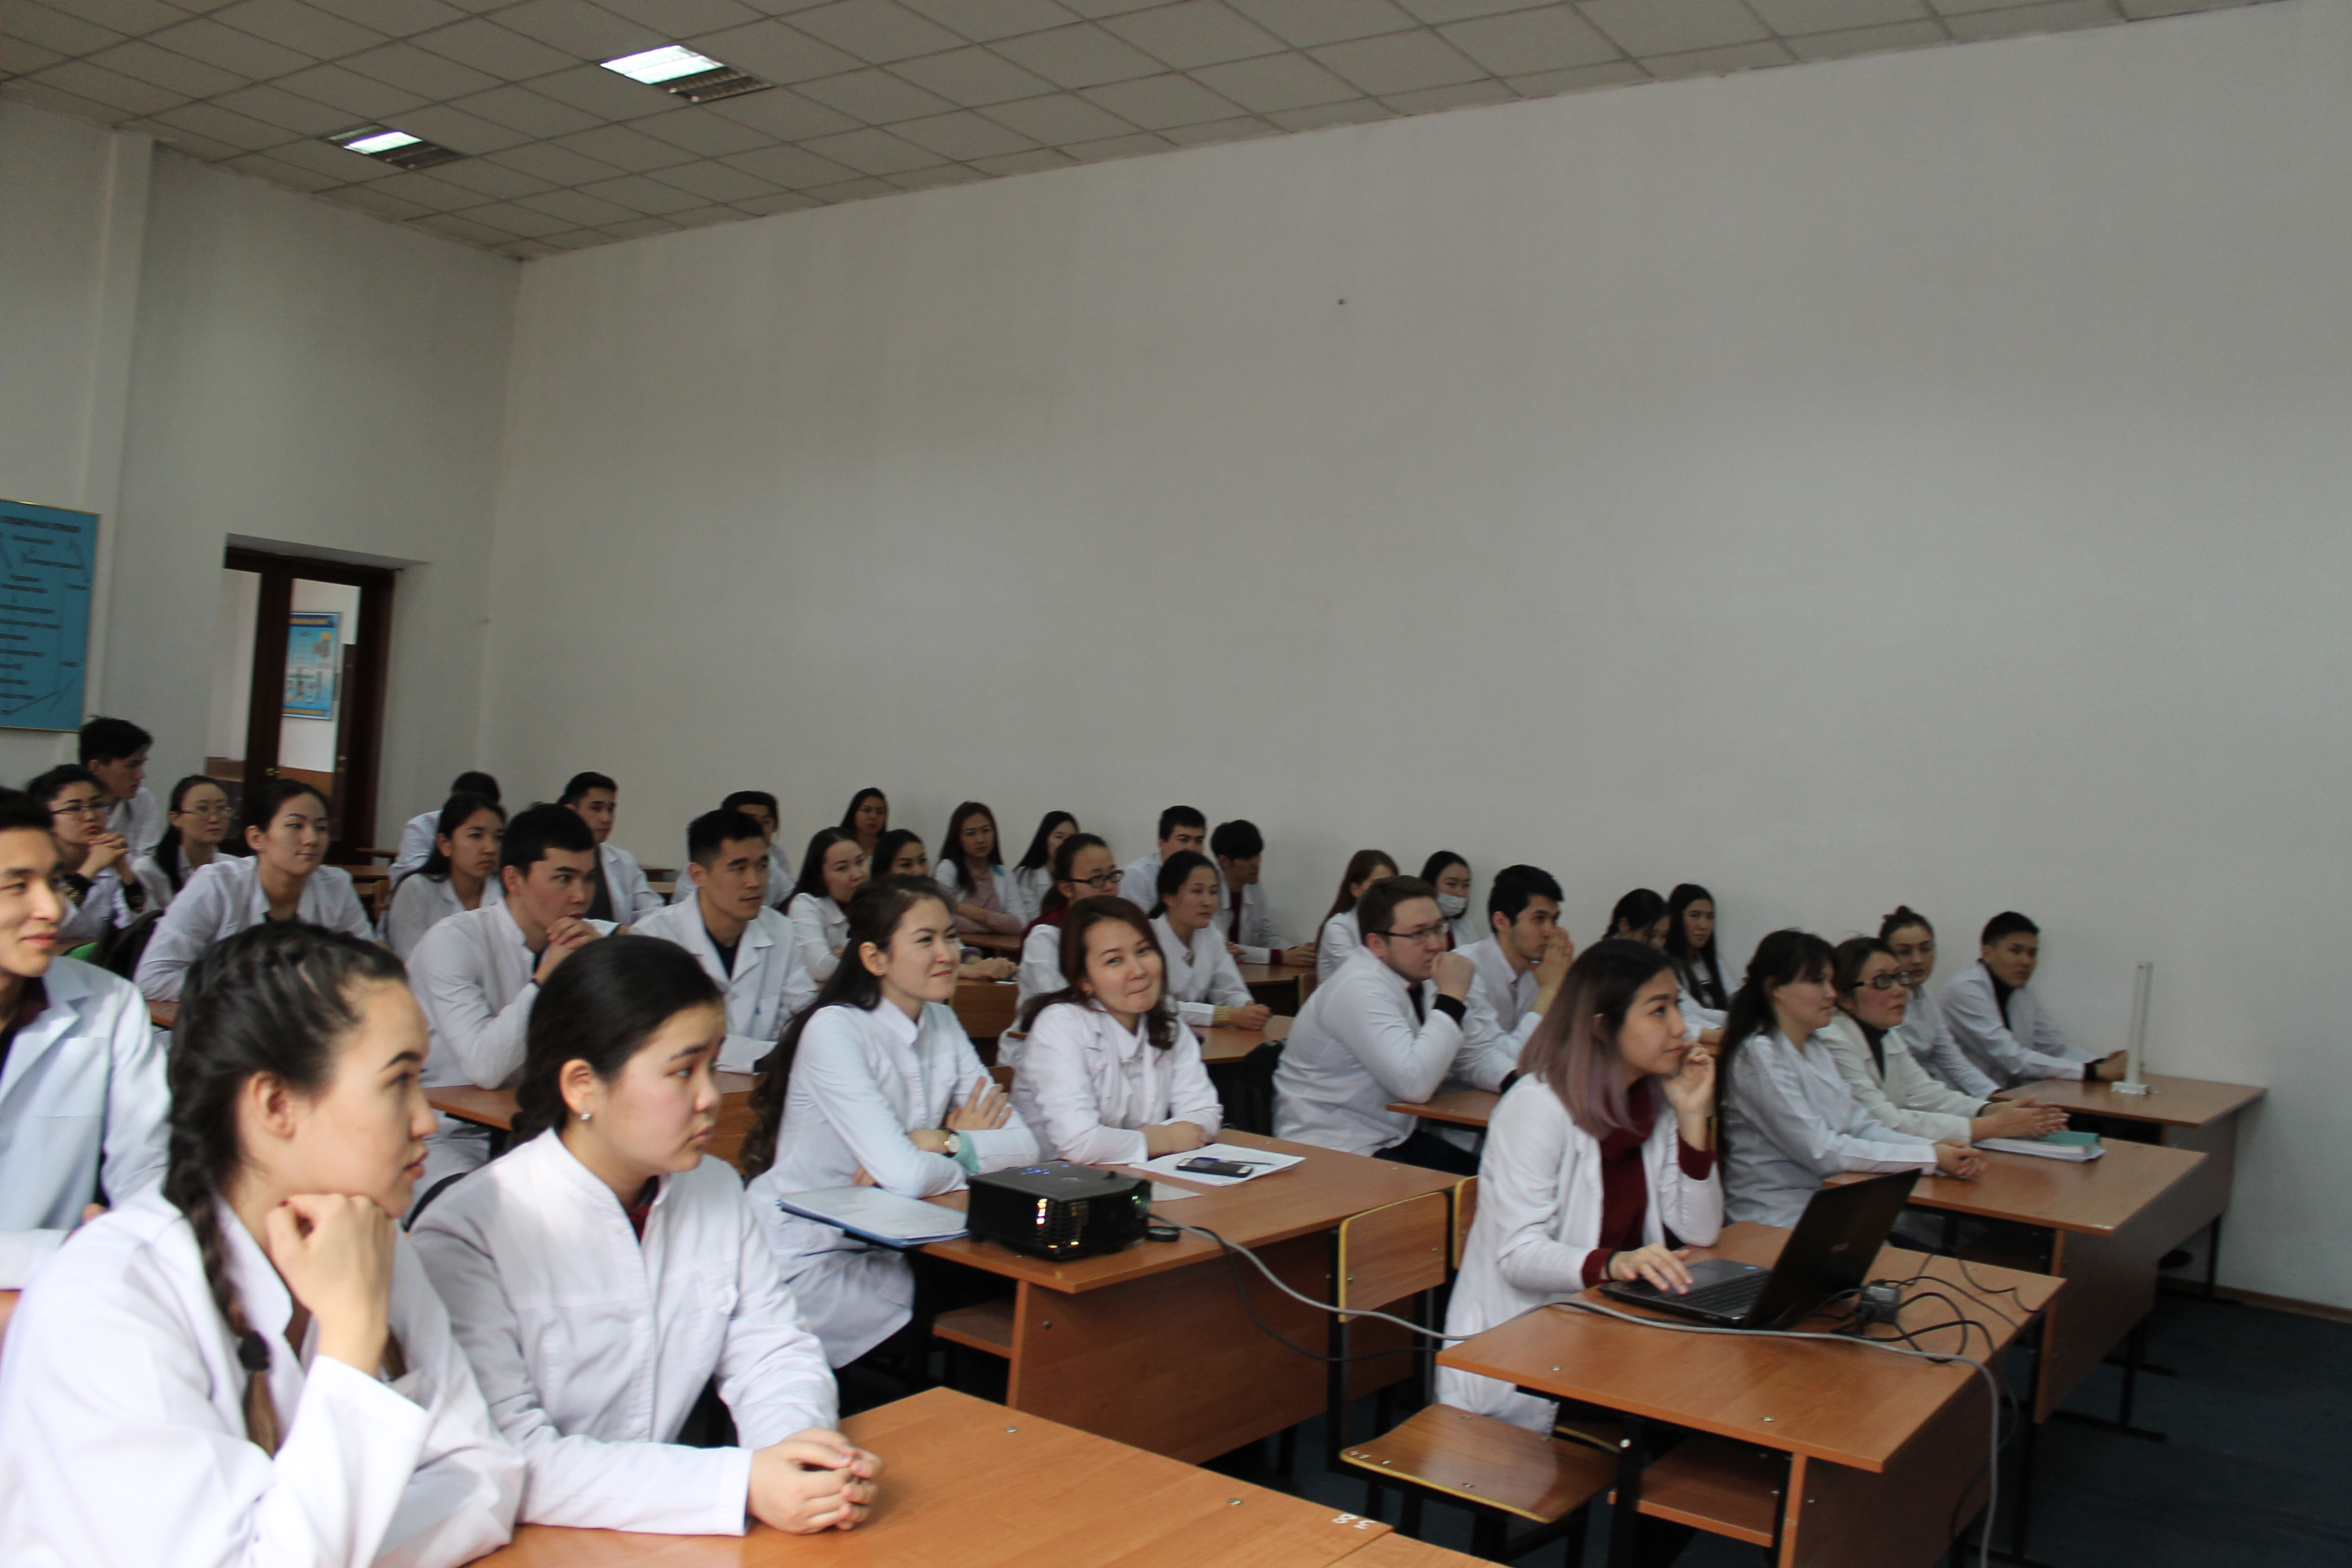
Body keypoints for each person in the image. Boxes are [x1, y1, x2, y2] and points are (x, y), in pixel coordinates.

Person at [0, 922, 522, 1566]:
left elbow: (487, 1479)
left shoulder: (369, 1237)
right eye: (399, 1081)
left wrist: (326, 1544)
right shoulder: (110, 1305)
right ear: (275, 1104)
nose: (427, 1120)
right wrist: (352, 1335)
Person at [412, 938, 878, 1537]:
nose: (710, 1097)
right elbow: (512, 1455)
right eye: (683, 1071)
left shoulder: (714, 1189)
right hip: (528, 1540)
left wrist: (798, 1452)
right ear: (583, 1086)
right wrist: (740, 1484)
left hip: (662, 1528)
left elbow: (773, 1351)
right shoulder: (471, 1231)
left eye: (712, 1066)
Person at [741, 876, 1039, 1367]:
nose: (947, 954)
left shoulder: (941, 1020)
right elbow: (906, 1176)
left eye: (950, 936)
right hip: (813, 1254)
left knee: (1018, 1291)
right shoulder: (836, 1030)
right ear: (875, 958)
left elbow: (1026, 1148)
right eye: (926, 940)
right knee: (983, 1303)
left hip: (902, 1237)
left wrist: (941, 1142)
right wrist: (935, 1154)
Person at [1437, 939, 1721, 1432]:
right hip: (1527, 1346)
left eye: (1677, 1006)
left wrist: (1694, 1116)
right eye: (1659, 1010)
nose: (1681, 1027)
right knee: (1691, 1423)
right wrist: (1614, 1264)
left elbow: (1701, 1231)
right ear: (1602, 1027)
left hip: (1610, 1323)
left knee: (1711, 1388)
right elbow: (1518, 1255)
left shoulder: (1648, 1100)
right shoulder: (1537, 1106)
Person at [0, 788, 167, 1288]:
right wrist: (67, 1253)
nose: (52, 907)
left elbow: (150, 1168)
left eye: (53, 882)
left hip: (64, 1303)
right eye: (18, 886)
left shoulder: (109, 1006)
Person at [409, 804, 613, 1191]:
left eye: (588, 879)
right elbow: (485, 1067)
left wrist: (602, 972)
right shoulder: (453, 942)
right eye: (563, 879)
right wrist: (546, 979)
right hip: (444, 1135)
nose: (581, 897)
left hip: (543, 1131)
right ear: (514, 880)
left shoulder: (585, 942)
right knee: (482, 1213)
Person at [1718, 929, 1978, 1227]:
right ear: (1775, 987)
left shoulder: (1815, 1047)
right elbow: (1822, 1151)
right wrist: (1929, 1157)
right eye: (1818, 981)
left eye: (1830, 981)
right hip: (1774, 1218)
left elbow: (1860, 1126)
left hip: (1831, 1205)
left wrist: (1933, 1148)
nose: (1831, 993)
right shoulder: (1758, 1054)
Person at [1275, 875, 1485, 1174]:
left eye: (1439, 928)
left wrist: (1512, 1079)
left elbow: (1476, 1051)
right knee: (1465, 1192)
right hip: (1334, 1148)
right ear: (1377, 944)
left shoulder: (1421, 977)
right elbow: (1414, 1085)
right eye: (1419, 934)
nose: (1436, 945)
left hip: (1391, 1137)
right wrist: (1451, 999)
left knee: (1489, 1180)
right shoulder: (1360, 985)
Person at [1012, 896, 1223, 1163]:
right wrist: (1166, 1139)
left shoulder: (1168, 1022)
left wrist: (1160, 1138)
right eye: (1115, 960)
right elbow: (1079, 1143)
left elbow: (1205, 1111)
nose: (1138, 971)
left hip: (1134, 1174)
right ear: (1084, 980)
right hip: (1052, 1179)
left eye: (1144, 951)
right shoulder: (1059, 1026)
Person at [136, 780, 374, 1003]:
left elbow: (369, 968)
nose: (312, 839)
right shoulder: (216, 885)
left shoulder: (335, 886)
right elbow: (153, 979)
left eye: (321, 828)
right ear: (256, 838)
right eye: (295, 826)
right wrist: (253, 991)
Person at [1819, 937, 2068, 1146]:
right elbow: (1885, 1122)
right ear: (1844, 998)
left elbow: (1928, 1094)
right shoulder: (1834, 1039)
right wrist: (1993, 1126)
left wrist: (1990, 1110)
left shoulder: (1887, 1034)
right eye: (1882, 981)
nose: (1900, 990)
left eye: (1899, 978)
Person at [633, 809, 818, 1072]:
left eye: (762, 866)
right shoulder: (653, 939)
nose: (755, 882)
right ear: (698, 876)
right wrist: (770, 1054)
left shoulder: (780, 930)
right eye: (739, 869)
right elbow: (668, 1036)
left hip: (763, 1084)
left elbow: (806, 1013)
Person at [1941, 912, 2126, 1090]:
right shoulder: (1965, 990)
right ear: (1987, 953)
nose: (2026, 961)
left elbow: (2055, 1047)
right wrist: (2095, 1072)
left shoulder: (2022, 994)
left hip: (2007, 1097)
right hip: (1966, 1100)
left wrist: (2103, 1064)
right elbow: (2012, 1058)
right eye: (2016, 951)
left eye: (2032, 954)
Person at [1878, 906, 1997, 1097]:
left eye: (1926, 949)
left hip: (1934, 1094)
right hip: (1901, 1097)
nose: (1918, 960)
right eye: (1905, 952)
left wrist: (1996, 1097)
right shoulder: (1880, 1003)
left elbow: (1953, 1061)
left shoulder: (1925, 995)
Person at [1011, 832, 1120, 1039]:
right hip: (1049, 1041)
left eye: (1113, 875)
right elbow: (1057, 1007)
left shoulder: (1123, 932)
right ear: (1067, 888)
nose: (1109, 886)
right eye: (1097, 879)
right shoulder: (1045, 937)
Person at [1148, 851, 1272, 1032]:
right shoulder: (1146, 938)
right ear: (1169, 897)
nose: (1208, 901)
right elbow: (1160, 1006)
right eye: (1197, 891)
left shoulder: (1211, 934)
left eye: (1213, 892)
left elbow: (1230, 990)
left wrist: (1248, 1008)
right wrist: (1227, 1016)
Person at [869, 830, 1013, 981]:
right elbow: (902, 964)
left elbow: (956, 947)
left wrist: (985, 966)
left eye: (922, 861)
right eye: (906, 865)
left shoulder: (931, 904)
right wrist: (970, 970)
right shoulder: (877, 912)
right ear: (884, 871)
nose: (919, 871)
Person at [1457, 863, 1573, 1052]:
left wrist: (1564, 984)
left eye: (1554, 920)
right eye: (1539, 919)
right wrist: (1550, 989)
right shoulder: (1465, 970)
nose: (1551, 931)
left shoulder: (1539, 972)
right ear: (1502, 922)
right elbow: (1500, 1059)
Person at [383, 793, 505, 960]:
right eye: (476, 836)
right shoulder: (417, 890)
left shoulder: (506, 889)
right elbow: (412, 961)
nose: (491, 848)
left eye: (498, 838)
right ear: (445, 844)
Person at [31, 764, 140, 946]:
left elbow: (138, 927)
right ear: (46, 819)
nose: (90, 816)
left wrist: (124, 870)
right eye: (75, 809)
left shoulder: (109, 865)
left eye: (97, 805)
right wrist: (90, 869)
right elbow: (50, 925)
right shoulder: (33, 869)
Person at [1207, 819, 1316, 968]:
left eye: (1258, 855)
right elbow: (1223, 948)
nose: (1257, 863)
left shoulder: (1254, 887)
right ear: (1224, 861)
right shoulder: (1208, 891)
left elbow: (1266, 934)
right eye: (1248, 858)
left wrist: (1297, 952)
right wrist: (1281, 957)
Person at [561, 771, 661, 925]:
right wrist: (618, 931)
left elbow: (652, 911)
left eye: (610, 809)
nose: (606, 819)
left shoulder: (623, 860)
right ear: (571, 812)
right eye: (596, 809)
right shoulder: (550, 860)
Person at [667, 791, 796, 911]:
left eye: (766, 822)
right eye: (739, 868)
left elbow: (791, 897)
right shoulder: (705, 864)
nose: (758, 828)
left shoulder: (774, 857)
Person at [129, 774, 235, 913]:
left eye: (221, 808)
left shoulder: (234, 869)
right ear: (175, 818)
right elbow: (143, 921)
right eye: (203, 809)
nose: (215, 818)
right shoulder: (148, 870)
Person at [786, 828, 869, 984]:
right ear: (820, 876)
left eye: (860, 862)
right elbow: (821, 968)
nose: (857, 875)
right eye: (842, 868)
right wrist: (870, 959)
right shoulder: (805, 904)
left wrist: (846, 955)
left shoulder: (878, 898)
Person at [390, 771, 502, 883]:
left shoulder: (498, 829)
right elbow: (415, 874)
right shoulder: (421, 826)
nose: (490, 848)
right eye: (475, 835)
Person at [933, 801, 1023, 936]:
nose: (980, 839)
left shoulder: (1004, 873)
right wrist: (996, 925)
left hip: (996, 947)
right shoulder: (948, 868)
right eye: (970, 834)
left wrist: (973, 913)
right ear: (958, 838)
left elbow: (1020, 924)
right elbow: (940, 915)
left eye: (986, 831)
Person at [80, 715, 160, 861]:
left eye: (141, 765)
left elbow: (148, 863)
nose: (141, 775)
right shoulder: (68, 807)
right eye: (132, 766)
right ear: (96, 768)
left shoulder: (143, 800)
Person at [1315, 849, 1398, 983]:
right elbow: (1360, 973)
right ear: (1356, 889)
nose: (1385, 894)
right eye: (1376, 886)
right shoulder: (1338, 926)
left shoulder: (1393, 924)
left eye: (1390, 887)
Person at [1665, 884, 1730, 1039]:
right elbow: (1690, 1014)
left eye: (1710, 917)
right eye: (1695, 916)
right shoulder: (1666, 966)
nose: (1703, 926)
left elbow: (1735, 997)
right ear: (1676, 919)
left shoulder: (1712, 960)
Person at [1117, 806, 1207, 910]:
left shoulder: (1206, 874)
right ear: (1162, 843)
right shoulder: (1137, 875)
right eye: (1184, 840)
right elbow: (1137, 919)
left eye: (1199, 841)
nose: (1192, 848)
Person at [1010, 811, 1077, 924]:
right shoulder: (1026, 875)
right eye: (1059, 837)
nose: (1064, 843)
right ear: (1045, 839)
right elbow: (1029, 919)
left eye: (1071, 838)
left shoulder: (1080, 875)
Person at [1420, 851, 1475, 949]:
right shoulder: (1412, 925)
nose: (1460, 893)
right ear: (1431, 884)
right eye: (1451, 884)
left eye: (1466, 885)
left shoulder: (1466, 928)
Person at [1605, 888, 1670, 947]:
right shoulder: (1606, 955)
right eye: (1650, 935)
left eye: (1664, 937)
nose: (1657, 943)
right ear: (1625, 926)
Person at [839, 788, 888, 858]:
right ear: (854, 814)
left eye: (880, 812)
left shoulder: (891, 851)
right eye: (866, 810)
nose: (873, 817)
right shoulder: (839, 849)